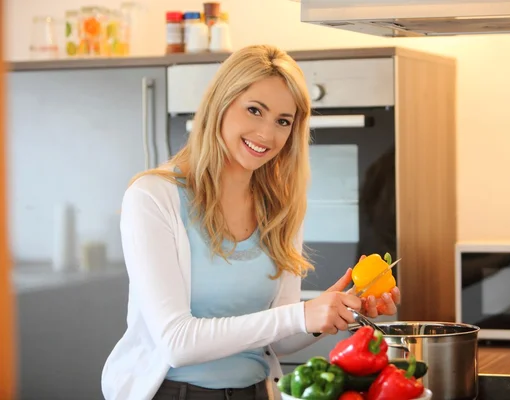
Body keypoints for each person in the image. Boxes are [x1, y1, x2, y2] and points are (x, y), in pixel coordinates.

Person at [101, 44, 401, 400]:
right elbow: (176, 342)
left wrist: (338, 308)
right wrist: (301, 314)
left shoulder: (279, 207)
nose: (266, 134)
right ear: (221, 103)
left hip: (256, 392)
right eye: (254, 110)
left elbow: (281, 338)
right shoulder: (154, 196)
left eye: (283, 121)